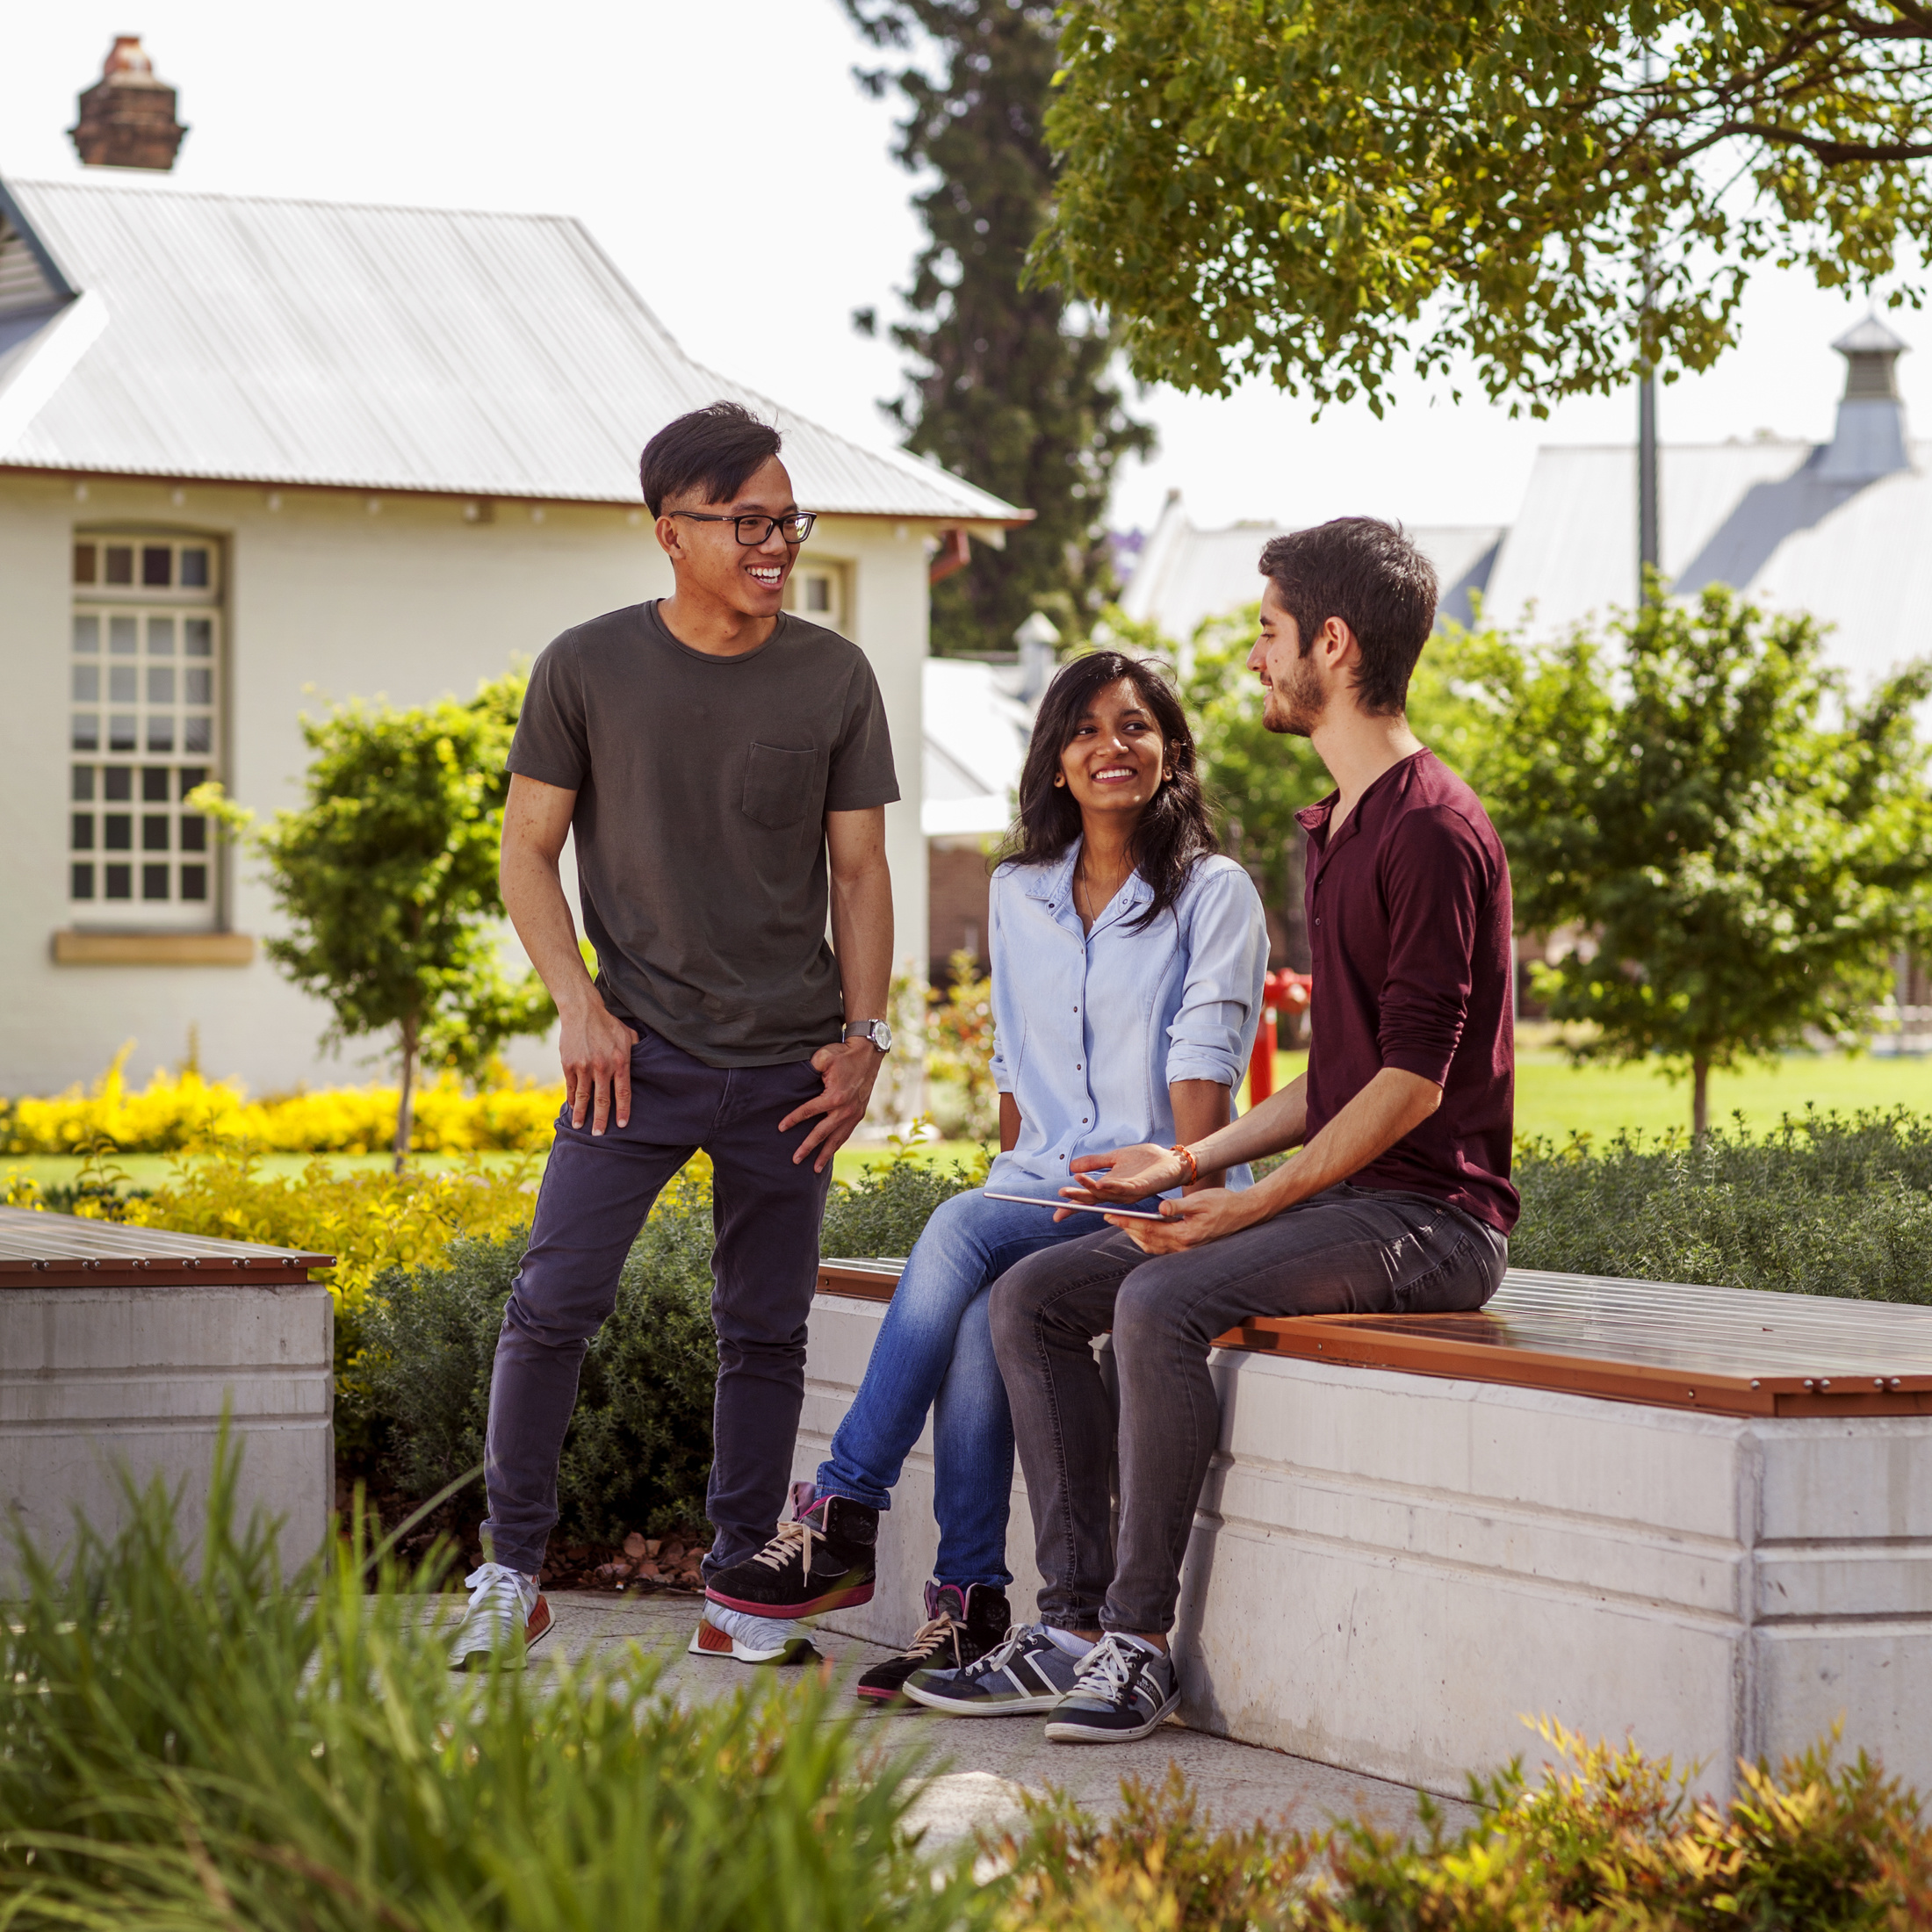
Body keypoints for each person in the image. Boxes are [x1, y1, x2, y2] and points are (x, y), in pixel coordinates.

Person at [909, 516, 1517, 1743]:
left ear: (1331, 647)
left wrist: (1249, 1204)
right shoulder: (1337, 825)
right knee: (1032, 1299)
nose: (1254, 658)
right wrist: (1188, 1163)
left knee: (1156, 1300)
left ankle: (1137, 1645)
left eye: (1270, 632)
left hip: (1433, 1220)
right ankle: (1067, 1624)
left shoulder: (1433, 828)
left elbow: (1408, 1086)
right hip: (1353, 1201)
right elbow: (1339, 1074)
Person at [703, 652, 1267, 1696]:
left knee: (963, 1228)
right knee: (977, 1295)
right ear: (1055, 759)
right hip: (1039, 1185)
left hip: (1157, 1187)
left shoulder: (1211, 891)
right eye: (1088, 728)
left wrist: (1194, 1208)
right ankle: (965, 1605)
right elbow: (1014, 1062)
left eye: (1137, 726)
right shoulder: (1019, 890)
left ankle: (842, 1506)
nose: (1113, 745)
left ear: (1171, 754)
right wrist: (1016, 1171)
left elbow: (1206, 1063)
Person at [448, 401, 899, 1670]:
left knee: (766, 1330)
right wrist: (578, 1006)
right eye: (750, 521)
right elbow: (526, 853)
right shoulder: (587, 667)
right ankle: (510, 1570)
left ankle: (740, 1592)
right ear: (671, 532)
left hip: (791, 1072)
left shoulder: (832, 676)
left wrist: (865, 1039)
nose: (777, 543)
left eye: (788, 519)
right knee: (552, 1305)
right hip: (630, 1062)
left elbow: (859, 875)